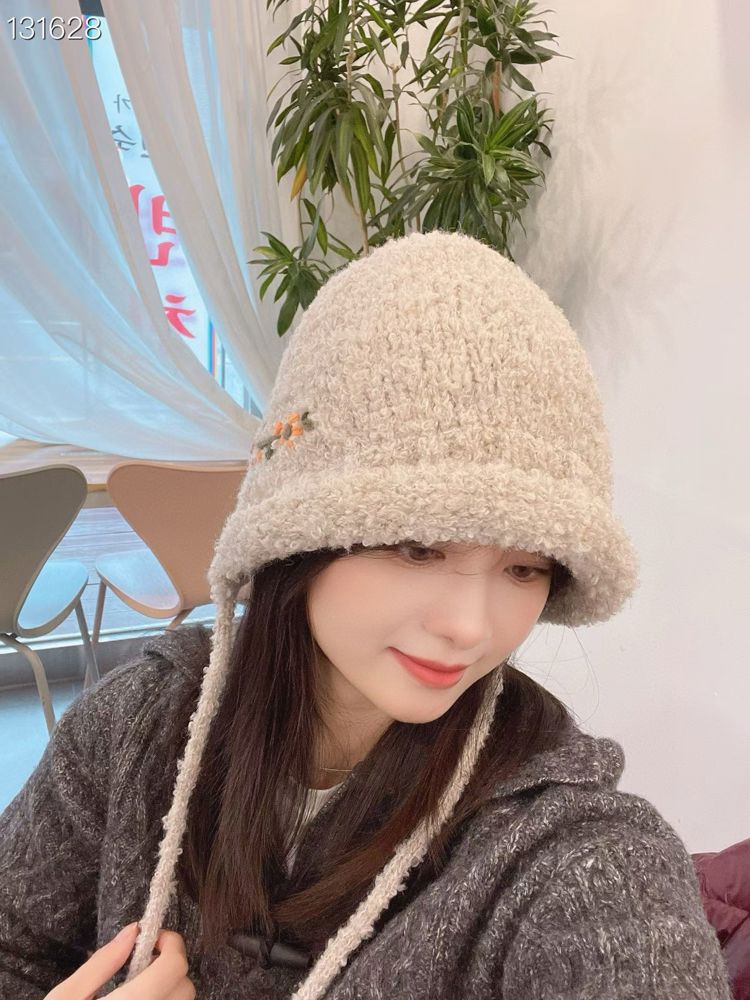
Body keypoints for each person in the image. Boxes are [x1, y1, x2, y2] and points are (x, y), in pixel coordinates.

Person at [0, 230, 732, 1000]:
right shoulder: (139, 727)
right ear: (298, 540)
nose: (471, 628)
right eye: (417, 547)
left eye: (524, 568)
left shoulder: (573, 854)